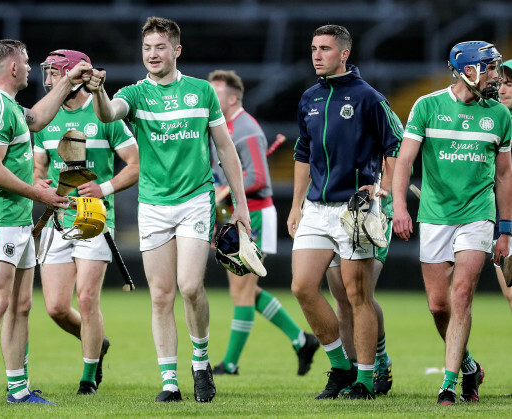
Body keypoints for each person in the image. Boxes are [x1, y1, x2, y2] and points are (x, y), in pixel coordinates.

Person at [87, 17, 251, 403]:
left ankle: (200, 360)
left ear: (176, 50)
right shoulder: (136, 93)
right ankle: (169, 383)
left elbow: (226, 149)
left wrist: (239, 204)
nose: (152, 54)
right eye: (147, 48)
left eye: (160, 47)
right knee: (161, 296)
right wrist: (98, 91)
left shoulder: (201, 92)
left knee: (190, 286)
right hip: (154, 206)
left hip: (195, 198)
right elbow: (108, 114)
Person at [0, 39, 91, 407]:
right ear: (12, 68)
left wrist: (69, 81)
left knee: (21, 306)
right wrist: (37, 194)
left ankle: (18, 388)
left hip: (17, 217)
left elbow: (37, 118)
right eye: (24, 62)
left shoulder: (8, 107)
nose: (29, 68)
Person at [393, 41, 512, 405]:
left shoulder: (500, 116)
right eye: (489, 69)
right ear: (468, 70)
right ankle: (470, 365)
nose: (496, 78)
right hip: (434, 217)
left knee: (461, 294)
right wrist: (399, 205)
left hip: (477, 216)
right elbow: (404, 161)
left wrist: (504, 229)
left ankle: (448, 384)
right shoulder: (427, 106)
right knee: (438, 307)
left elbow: (505, 176)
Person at [287, 24, 401, 400]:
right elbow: (303, 154)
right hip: (316, 209)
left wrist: (384, 189)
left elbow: (393, 149)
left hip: (354, 210)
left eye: (324, 49)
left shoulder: (369, 98)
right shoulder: (308, 98)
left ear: (344, 54)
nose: (316, 54)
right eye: (314, 48)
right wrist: (296, 205)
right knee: (303, 287)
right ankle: (340, 367)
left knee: (356, 296)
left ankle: (365, 380)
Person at [33, 49, 139, 396]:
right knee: (56, 307)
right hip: (58, 219)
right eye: (47, 73)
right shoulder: (44, 120)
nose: (48, 79)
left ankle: (88, 377)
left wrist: (105, 187)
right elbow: (37, 169)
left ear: (74, 77)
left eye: (54, 72)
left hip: (94, 218)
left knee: (88, 298)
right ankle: (98, 342)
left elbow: (135, 164)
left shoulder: (103, 115)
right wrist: (40, 183)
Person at [206, 69, 319, 377]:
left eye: (214, 94)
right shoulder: (224, 126)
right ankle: (301, 340)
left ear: (232, 98)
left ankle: (229, 364)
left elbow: (256, 177)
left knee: (242, 292)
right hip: (235, 217)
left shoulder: (246, 129)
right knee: (246, 291)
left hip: (253, 216)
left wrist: (224, 190)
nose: (208, 99)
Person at [325, 186, 396, 396]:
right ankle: (353, 371)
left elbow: (394, 165)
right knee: (341, 298)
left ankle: (380, 359)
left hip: (370, 214)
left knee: (361, 294)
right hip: (330, 212)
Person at [494, 59, 512, 311]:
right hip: (504, 223)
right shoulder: (495, 122)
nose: (501, 90)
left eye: (509, 84)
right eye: (500, 84)